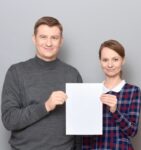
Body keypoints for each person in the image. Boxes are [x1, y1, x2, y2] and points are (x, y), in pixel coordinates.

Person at [1, 16, 82, 150]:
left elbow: (79, 123)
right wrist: (46, 106)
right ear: (34, 39)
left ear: (61, 41)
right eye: (43, 37)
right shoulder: (16, 72)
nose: (48, 43)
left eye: (54, 38)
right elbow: (9, 119)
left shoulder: (72, 74)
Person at [82, 39, 141, 150]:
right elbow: (86, 134)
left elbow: (132, 131)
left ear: (123, 61)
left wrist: (115, 111)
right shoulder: (91, 92)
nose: (110, 65)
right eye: (105, 60)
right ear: (100, 61)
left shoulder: (133, 91)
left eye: (115, 59)